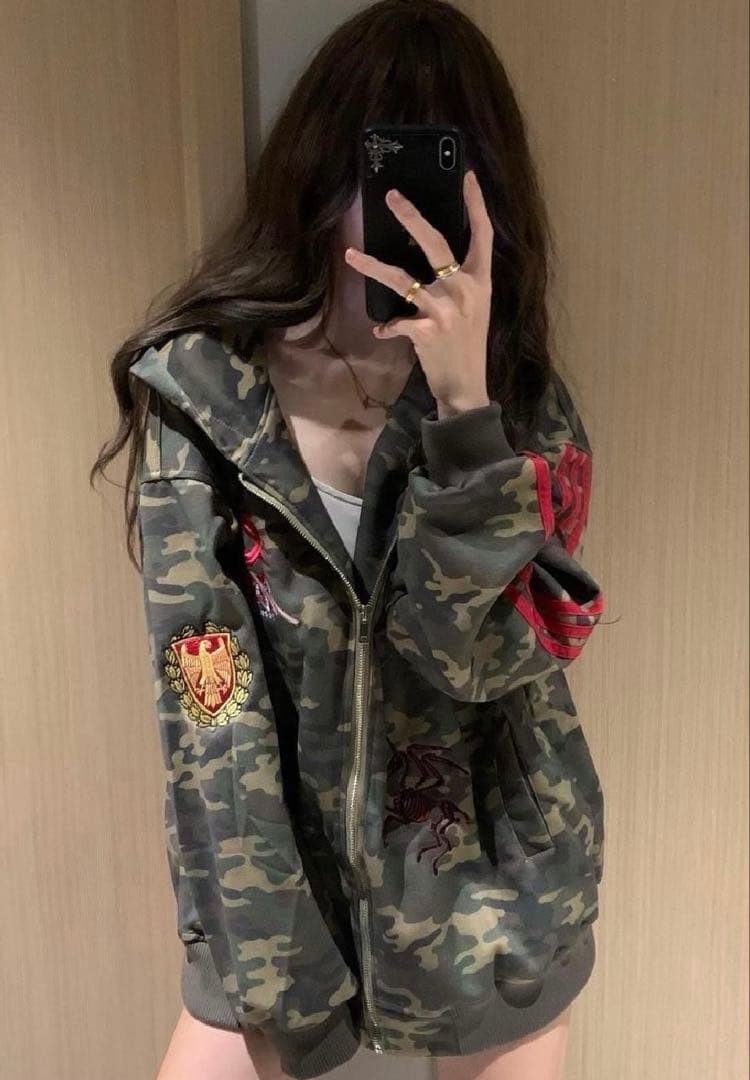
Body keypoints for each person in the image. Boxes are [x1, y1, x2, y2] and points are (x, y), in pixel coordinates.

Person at [90, 2, 607, 1078]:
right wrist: (273, 973)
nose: (396, 212)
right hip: (273, 883)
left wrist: (465, 418)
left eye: (439, 176)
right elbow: (209, 702)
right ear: (323, 168)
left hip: (494, 891)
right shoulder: (205, 397)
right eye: (379, 168)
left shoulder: (523, 411)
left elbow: (480, 660)